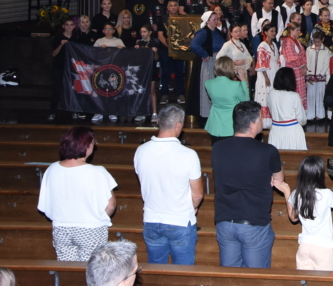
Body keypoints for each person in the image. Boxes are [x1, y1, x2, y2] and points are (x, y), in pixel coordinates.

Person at [211, 101, 283, 268]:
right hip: (253, 222)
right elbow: (278, 181)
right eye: (261, 118)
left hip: (225, 221)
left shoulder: (218, 148)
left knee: (231, 277)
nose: (262, 121)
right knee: (256, 277)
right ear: (252, 125)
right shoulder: (268, 151)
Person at [133, 104, 203, 265]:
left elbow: (143, 183)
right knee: (183, 271)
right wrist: (192, 206)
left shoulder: (141, 151)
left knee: (156, 270)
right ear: (178, 125)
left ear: (158, 121)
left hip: (151, 219)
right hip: (180, 220)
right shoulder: (188, 155)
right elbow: (198, 194)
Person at [37, 126, 117, 261]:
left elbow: (45, 203)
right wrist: (99, 218)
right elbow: (111, 205)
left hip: (61, 228)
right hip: (91, 229)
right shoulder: (97, 171)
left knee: (68, 269)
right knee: (91, 269)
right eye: (93, 142)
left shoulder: (52, 169)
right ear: (86, 145)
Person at [273, 156, 333, 270]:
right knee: (324, 280)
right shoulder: (327, 194)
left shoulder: (297, 194)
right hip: (323, 247)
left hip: (304, 246)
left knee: (304, 279)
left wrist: (287, 193)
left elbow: (293, 217)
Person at [204, 57, 250, 144]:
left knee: (216, 150)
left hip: (214, 125)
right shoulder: (236, 85)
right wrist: (244, 81)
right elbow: (246, 101)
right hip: (230, 125)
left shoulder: (208, 83)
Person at [269, 68, 308, 150]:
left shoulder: (271, 93)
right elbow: (301, 118)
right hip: (292, 131)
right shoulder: (294, 95)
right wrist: (302, 122)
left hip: (275, 130)